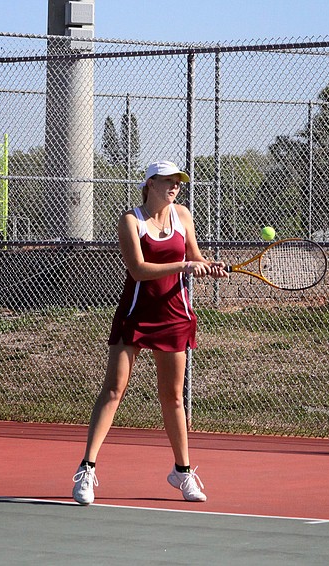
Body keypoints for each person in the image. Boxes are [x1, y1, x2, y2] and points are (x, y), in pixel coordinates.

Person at [72, 160, 227, 505]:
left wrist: (206, 267)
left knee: (172, 397)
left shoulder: (183, 216)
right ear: (150, 183)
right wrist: (186, 265)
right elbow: (139, 270)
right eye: (169, 181)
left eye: (178, 182)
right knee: (113, 390)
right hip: (136, 314)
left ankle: (182, 473)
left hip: (175, 316)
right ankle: (87, 470)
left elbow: (195, 257)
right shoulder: (130, 220)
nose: (175, 186)